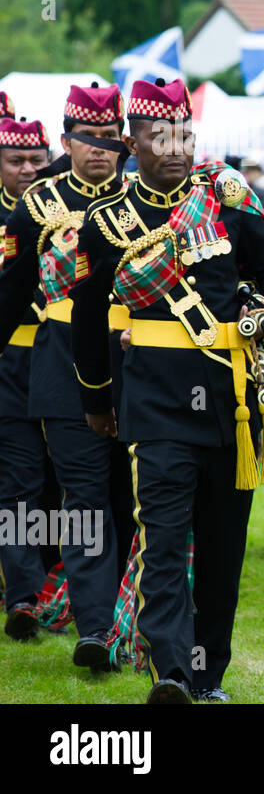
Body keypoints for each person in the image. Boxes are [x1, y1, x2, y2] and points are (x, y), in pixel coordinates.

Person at [70, 78, 264, 703]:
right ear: (131, 142)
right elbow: (90, 317)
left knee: (223, 553)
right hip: (153, 404)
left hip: (233, 405)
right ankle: (169, 670)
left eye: (184, 134)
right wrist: (97, 400)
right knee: (165, 543)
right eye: (159, 136)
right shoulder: (108, 221)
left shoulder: (226, 196)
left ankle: (208, 675)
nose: (175, 148)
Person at [0, 85, 135, 673]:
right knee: (82, 500)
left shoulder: (148, 199)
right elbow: (9, 295)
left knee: (136, 501)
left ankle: (145, 620)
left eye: (109, 140)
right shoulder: (37, 206)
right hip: (60, 367)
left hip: (143, 366)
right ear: (66, 140)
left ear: (124, 141)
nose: (98, 150)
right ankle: (97, 629)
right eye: (87, 139)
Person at [0, 117, 50, 641]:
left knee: (67, 484)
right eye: (17, 161)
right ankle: (22, 595)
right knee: (19, 483)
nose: (28, 170)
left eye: (36, 160)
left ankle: (64, 586)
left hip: (64, 363)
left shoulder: (68, 210)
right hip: (10, 366)